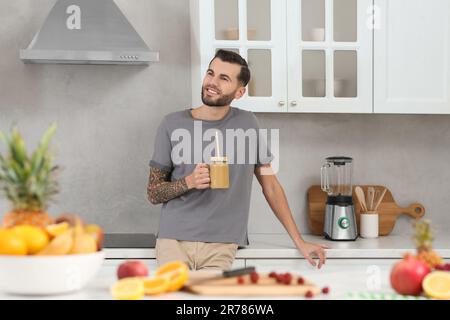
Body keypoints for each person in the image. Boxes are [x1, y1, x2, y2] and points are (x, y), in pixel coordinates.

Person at [148, 49, 328, 270]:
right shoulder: (171, 124)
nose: (212, 82)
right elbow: (153, 192)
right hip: (173, 240)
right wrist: (188, 182)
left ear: (239, 92)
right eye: (210, 73)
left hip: (222, 242)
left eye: (223, 78)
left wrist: (299, 241)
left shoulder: (247, 124)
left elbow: (270, 185)